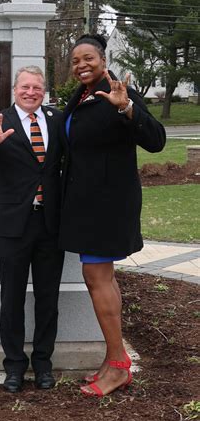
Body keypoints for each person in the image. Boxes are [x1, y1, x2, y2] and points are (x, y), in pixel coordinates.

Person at [59, 33, 166, 398]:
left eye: (88, 58)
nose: (81, 65)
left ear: (102, 60)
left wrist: (127, 108)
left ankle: (119, 366)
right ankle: (112, 360)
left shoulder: (118, 92)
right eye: (75, 60)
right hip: (87, 203)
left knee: (96, 277)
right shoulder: (82, 96)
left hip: (107, 203)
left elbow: (156, 139)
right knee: (100, 278)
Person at [0, 66, 65, 393]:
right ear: (15, 90)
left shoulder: (56, 120)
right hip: (13, 226)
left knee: (48, 297)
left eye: (37, 87)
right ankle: (14, 366)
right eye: (25, 87)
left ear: (44, 91)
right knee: (12, 298)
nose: (31, 92)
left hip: (50, 224)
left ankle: (43, 363)